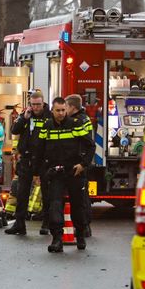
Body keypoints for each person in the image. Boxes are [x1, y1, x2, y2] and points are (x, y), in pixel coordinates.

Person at [34, 97, 93, 252]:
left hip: (74, 171)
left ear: (66, 109)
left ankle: (79, 235)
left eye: (63, 110)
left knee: (78, 206)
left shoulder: (75, 124)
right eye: (57, 110)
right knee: (54, 205)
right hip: (55, 173)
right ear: (52, 111)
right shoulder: (47, 126)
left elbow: (90, 146)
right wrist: (37, 173)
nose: (60, 113)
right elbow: (39, 151)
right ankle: (57, 239)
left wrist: (83, 164)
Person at [5, 91, 48, 235]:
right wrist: (24, 118)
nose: (36, 108)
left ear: (43, 103)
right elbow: (14, 130)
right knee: (22, 193)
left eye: (38, 104)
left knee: (47, 193)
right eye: (33, 104)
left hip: (44, 160)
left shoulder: (49, 116)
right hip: (27, 160)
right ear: (30, 104)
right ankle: (19, 224)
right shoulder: (25, 115)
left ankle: (46, 223)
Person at [65, 94, 95, 238]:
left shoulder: (77, 121)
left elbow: (85, 143)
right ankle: (85, 226)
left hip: (79, 163)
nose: (64, 110)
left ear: (72, 107)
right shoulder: (85, 118)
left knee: (81, 198)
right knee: (83, 197)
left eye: (66, 107)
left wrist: (83, 163)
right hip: (82, 162)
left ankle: (84, 228)